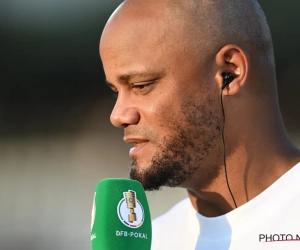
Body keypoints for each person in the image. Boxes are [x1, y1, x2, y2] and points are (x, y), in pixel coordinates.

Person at [99, 0, 300, 249]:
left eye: (141, 85)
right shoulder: (153, 242)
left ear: (231, 72)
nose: (117, 116)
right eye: (115, 91)